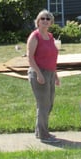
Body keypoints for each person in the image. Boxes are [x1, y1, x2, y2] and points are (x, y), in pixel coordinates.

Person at [26, 10, 60, 144]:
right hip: (38, 73)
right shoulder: (35, 36)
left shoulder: (50, 36)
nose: (45, 21)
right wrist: (39, 74)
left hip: (50, 73)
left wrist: (55, 75)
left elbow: (52, 57)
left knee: (50, 103)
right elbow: (30, 57)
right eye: (42, 18)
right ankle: (44, 135)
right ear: (38, 21)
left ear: (51, 22)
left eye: (48, 19)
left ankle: (39, 130)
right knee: (43, 105)